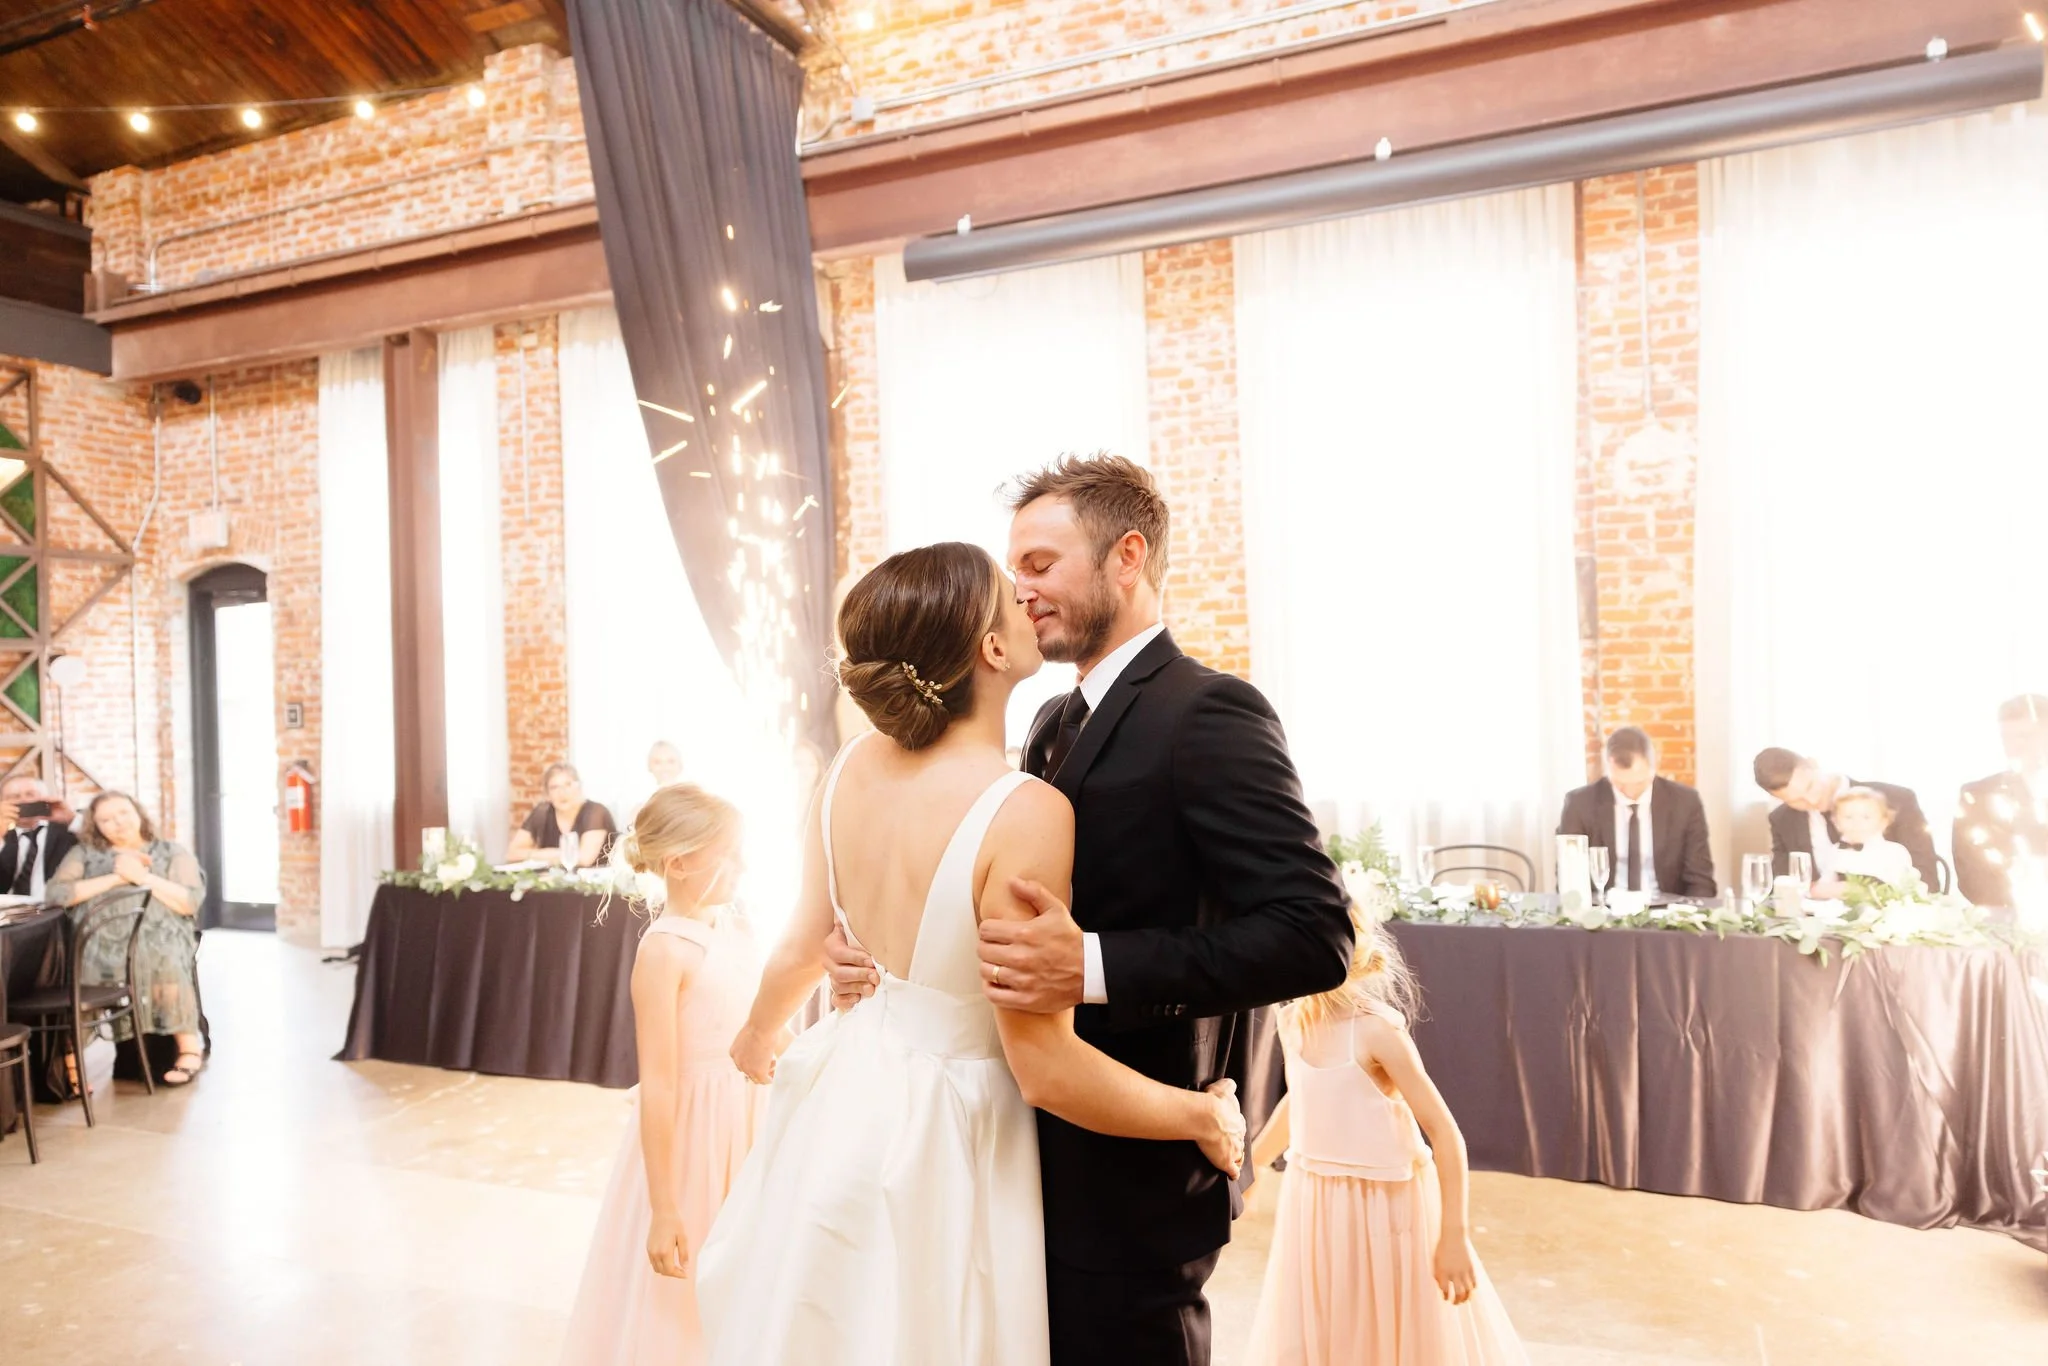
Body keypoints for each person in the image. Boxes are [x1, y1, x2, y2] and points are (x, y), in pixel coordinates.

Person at [825, 455, 1356, 1365]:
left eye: (1039, 564)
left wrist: (1095, 967)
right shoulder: (1045, 724)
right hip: (1014, 1155)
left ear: (1127, 557)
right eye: (1013, 570)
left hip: (1134, 1179)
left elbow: (1315, 935)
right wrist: (877, 962)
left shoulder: (1210, 713)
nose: (1019, 590)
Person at [698, 541, 1253, 1366]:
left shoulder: (848, 766)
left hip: (843, 1103)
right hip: (946, 1130)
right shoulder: (1025, 810)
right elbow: (1045, 1068)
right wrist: (1201, 1115)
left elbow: (801, 944)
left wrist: (756, 1034)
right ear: (993, 648)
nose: (1027, 597)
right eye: (1009, 591)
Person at [1244, 902, 1528, 1366]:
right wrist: (1253, 1165)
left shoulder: (1377, 1032)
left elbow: (1444, 1133)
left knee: (1388, 1322)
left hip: (1385, 1207)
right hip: (1314, 1202)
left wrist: (1453, 1236)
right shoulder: (1292, 1021)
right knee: (1332, 1321)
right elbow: (1302, 1098)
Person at [558, 784, 766, 1366]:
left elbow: (762, 1028)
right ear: (679, 863)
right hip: (695, 1141)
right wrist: (665, 1207)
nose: (743, 866)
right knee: (688, 1293)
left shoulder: (736, 928)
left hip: (749, 1126)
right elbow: (661, 1083)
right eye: (729, 854)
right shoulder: (664, 952)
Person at [46, 792, 208, 1085]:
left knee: (162, 957)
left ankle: (188, 1048)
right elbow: (57, 894)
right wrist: (117, 877)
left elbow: (188, 902)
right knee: (85, 967)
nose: (118, 823)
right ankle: (72, 1063)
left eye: (123, 813)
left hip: (160, 934)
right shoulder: (84, 854)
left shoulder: (171, 851)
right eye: (106, 819)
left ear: (138, 813)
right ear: (96, 826)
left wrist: (142, 876)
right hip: (99, 940)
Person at [1555, 726, 1716, 899]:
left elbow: (1701, 881)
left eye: (1639, 783)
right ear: (1608, 767)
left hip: (1666, 908)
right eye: (1620, 785)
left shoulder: (1685, 803)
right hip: (1604, 908)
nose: (1630, 792)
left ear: (1653, 768)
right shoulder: (1579, 804)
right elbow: (1569, 880)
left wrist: (1686, 912)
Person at [1753, 748, 1938, 896]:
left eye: (1810, 786)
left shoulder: (1897, 799)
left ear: (1814, 764)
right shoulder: (1782, 820)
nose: (1811, 800)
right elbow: (1782, 888)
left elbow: (1927, 882)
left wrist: (1852, 891)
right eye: (1795, 801)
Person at [1953, 694, 2048, 909]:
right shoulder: (1977, 795)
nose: (2015, 746)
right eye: (2007, 738)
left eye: (2025, 736)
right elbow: (1970, 872)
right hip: (2007, 919)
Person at [507, 763, 617, 869]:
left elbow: (584, 859)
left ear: (579, 787)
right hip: (556, 879)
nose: (562, 793)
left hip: (597, 880)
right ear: (547, 794)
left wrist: (535, 855)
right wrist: (559, 854)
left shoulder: (596, 812)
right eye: (554, 787)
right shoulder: (542, 812)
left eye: (568, 785)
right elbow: (512, 854)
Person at [0, 773, 78, 900]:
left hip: (55, 905)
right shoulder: (4, 835)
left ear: (45, 797)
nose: (23, 800)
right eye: (14, 797)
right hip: (9, 907)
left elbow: (101, 843)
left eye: (30, 794)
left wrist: (72, 819)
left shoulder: (67, 829)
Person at [1824, 787, 1916, 889]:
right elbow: (1824, 884)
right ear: (1836, 822)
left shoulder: (1894, 853)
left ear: (1883, 822)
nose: (1856, 823)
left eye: (1866, 817)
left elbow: (1899, 890)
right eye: (1848, 817)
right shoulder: (1834, 851)